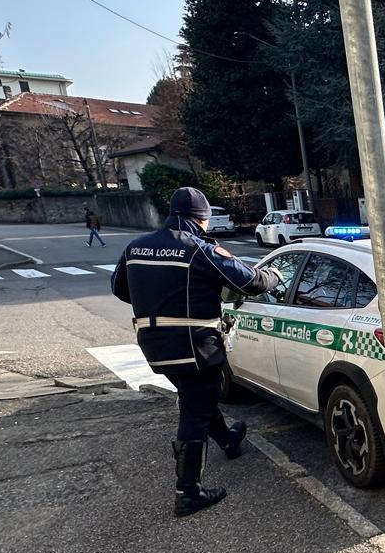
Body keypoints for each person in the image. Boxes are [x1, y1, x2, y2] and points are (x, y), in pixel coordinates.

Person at [111, 187, 283, 517]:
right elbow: (249, 282)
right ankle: (188, 492)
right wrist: (274, 275)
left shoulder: (135, 247)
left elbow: (120, 288)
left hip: (153, 344)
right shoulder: (198, 249)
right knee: (193, 411)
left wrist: (158, 303)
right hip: (194, 346)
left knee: (198, 397)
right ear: (201, 220)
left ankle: (229, 441)